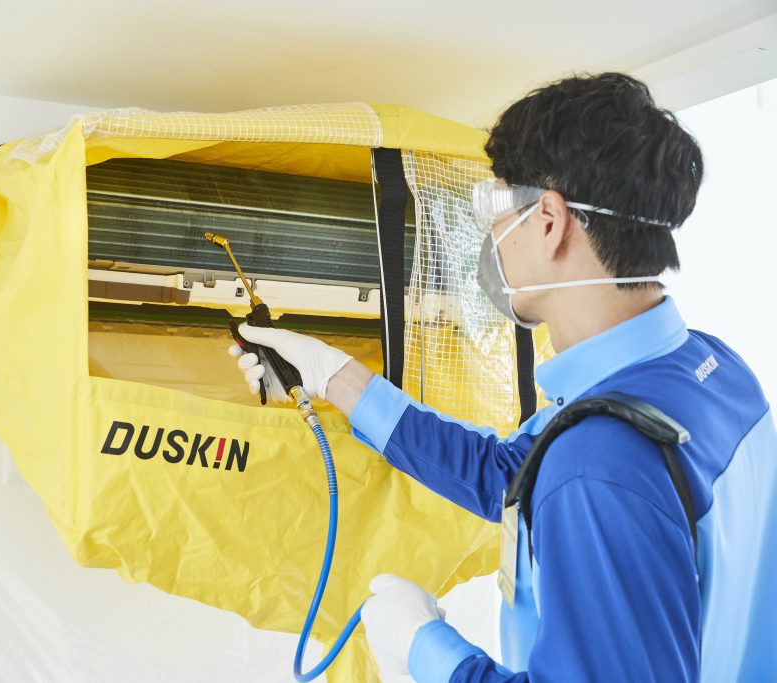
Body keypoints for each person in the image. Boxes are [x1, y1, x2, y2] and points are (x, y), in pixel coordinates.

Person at [228, 73, 777, 681]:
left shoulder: (600, 458)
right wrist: (331, 375)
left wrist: (428, 651)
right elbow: (513, 473)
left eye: (495, 208)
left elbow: (581, 476)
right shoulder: (716, 372)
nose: (491, 234)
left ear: (550, 220)